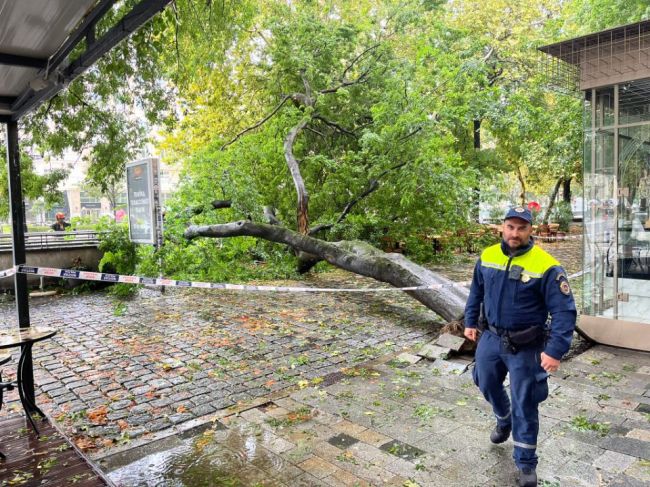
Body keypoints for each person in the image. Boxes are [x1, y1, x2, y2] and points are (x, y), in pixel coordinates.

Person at [464, 206, 576, 487]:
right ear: (502, 227)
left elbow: (564, 312)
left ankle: (525, 462)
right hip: (490, 337)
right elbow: (476, 290)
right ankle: (504, 419)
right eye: (510, 227)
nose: (515, 233)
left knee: (525, 400)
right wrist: (469, 321)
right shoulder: (488, 256)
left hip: (527, 345)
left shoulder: (546, 265)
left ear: (530, 230)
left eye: (521, 228)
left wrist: (555, 350)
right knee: (485, 381)